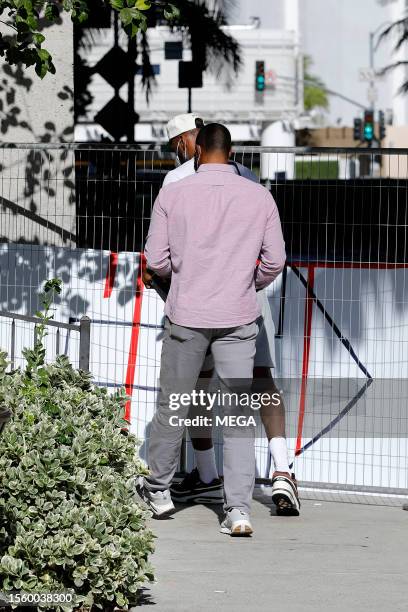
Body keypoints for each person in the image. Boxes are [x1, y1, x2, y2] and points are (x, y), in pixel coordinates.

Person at [143, 113, 300, 516]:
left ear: (195, 149)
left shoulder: (173, 192)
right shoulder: (257, 192)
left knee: (174, 402)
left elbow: (156, 260)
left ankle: (160, 493)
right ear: (231, 153)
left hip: (187, 313)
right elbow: (275, 260)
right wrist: (250, 283)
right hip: (239, 314)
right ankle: (239, 510)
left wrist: (182, 276)